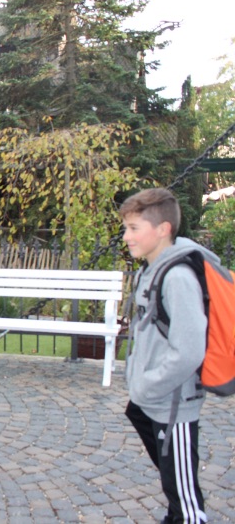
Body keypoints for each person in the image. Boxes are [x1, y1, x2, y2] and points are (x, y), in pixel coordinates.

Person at [120, 188, 212, 523]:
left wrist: (149, 385)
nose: (126, 236)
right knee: (174, 481)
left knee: (186, 501)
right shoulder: (151, 270)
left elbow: (189, 351)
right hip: (155, 398)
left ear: (163, 229)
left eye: (134, 228)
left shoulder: (178, 278)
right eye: (126, 228)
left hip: (174, 402)